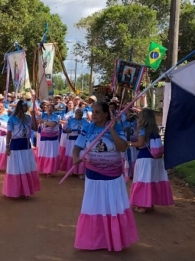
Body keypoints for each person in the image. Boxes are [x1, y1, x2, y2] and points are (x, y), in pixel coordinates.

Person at [72, 102, 138, 251]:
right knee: (93, 207)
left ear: (105, 114)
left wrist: (113, 130)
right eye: (93, 112)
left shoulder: (117, 126)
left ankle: (113, 239)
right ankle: (94, 240)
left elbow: (122, 147)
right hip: (93, 175)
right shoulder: (87, 128)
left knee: (112, 207)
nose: (93, 115)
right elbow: (77, 146)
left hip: (112, 177)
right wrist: (75, 156)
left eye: (97, 112)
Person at [129, 108, 174, 213]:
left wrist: (129, 144)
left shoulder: (142, 129)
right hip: (156, 159)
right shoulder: (154, 130)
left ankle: (142, 205)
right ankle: (150, 203)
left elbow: (139, 143)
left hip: (144, 159)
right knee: (151, 181)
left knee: (142, 181)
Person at [2, 100, 40, 199]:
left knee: (26, 167)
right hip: (15, 144)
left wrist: (33, 116)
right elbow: (9, 133)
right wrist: (7, 146)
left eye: (26, 106)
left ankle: (25, 191)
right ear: (20, 107)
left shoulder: (28, 117)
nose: (26, 108)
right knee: (16, 168)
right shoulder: (12, 119)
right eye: (24, 106)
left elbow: (35, 128)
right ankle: (15, 191)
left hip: (26, 145)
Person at [60, 108, 89, 177]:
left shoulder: (85, 121)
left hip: (82, 141)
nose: (80, 114)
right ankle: (73, 171)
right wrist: (68, 130)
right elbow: (66, 129)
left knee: (81, 155)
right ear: (75, 113)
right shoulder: (71, 120)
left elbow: (89, 129)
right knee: (72, 155)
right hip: (72, 140)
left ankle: (81, 172)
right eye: (78, 112)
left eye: (81, 113)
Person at [36, 103, 60, 176]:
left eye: (51, 107)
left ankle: (50, 171)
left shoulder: (56, 116)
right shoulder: (42, 115)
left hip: (53, 139)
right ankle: (44, 169)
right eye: (48, 107)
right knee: (44, 154)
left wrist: (44, 122)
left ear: (53, 109)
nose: (49, 108)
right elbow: (36, 116)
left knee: (51, 155)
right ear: (45, 108)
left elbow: (53, 125)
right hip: (44, 138)